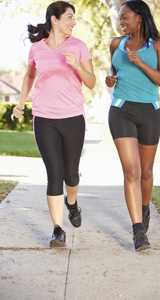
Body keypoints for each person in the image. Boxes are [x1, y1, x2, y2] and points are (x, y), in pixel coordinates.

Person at [12, 1, 96, 248]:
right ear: (55, 20)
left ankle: (72, 203)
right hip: (44, 118)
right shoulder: (37, 49)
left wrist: (77, 66)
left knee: (71, 173)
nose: (73, 21)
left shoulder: (78, 46)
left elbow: (91, 82)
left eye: (74, 17)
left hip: (72, 118)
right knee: (54, 173)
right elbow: (29, 76)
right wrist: (20, 103)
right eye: (69, 17)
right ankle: (57, 229)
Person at [105, 0, 160, 251]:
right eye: (120, 18)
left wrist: (140, 63)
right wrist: (109, 79)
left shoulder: (159, 45)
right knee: (131, 170)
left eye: (125, 17)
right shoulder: (115, 44)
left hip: (149, 112)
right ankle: (138, 231)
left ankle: (144, 208)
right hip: (121, 110)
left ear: (140, 17)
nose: (121, 21)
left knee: (145, 172)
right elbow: (114, 72)